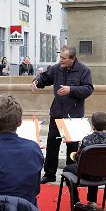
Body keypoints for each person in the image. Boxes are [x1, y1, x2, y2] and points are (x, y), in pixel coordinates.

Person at [31, 45, 94, 183]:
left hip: (73, 116)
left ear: (72, 59)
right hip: (56, 113)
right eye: (60, 57)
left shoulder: (83, 70)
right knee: (52, 145)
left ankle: (69, 175)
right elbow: (45, 78)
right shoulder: (57, 69)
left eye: (64, 58)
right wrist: (36, 82)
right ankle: (49, 174)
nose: (61, 60)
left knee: (72, 148)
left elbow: (88, 89)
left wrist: (71, 89)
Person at [63, 111, 106, 205]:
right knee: (96, 165)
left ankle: (76, 202)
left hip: (89, 174)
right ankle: (92, 201)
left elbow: (80, 160)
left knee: (67, 169)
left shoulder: (87, 139)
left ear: (92, 126)